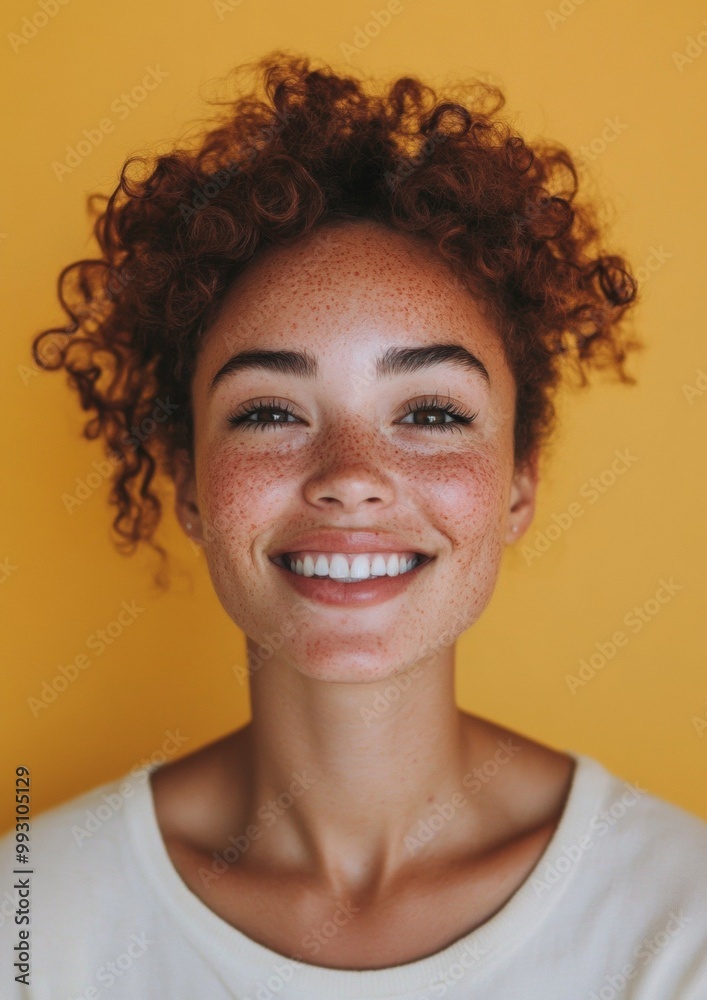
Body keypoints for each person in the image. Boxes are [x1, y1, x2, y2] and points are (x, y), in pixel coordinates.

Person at [2, 51, 705, 999]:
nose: (350, 478)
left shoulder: (680, 922)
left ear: (516, 486)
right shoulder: (30, 920)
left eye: (431, 412)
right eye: (268, 412)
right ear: (190, 487)